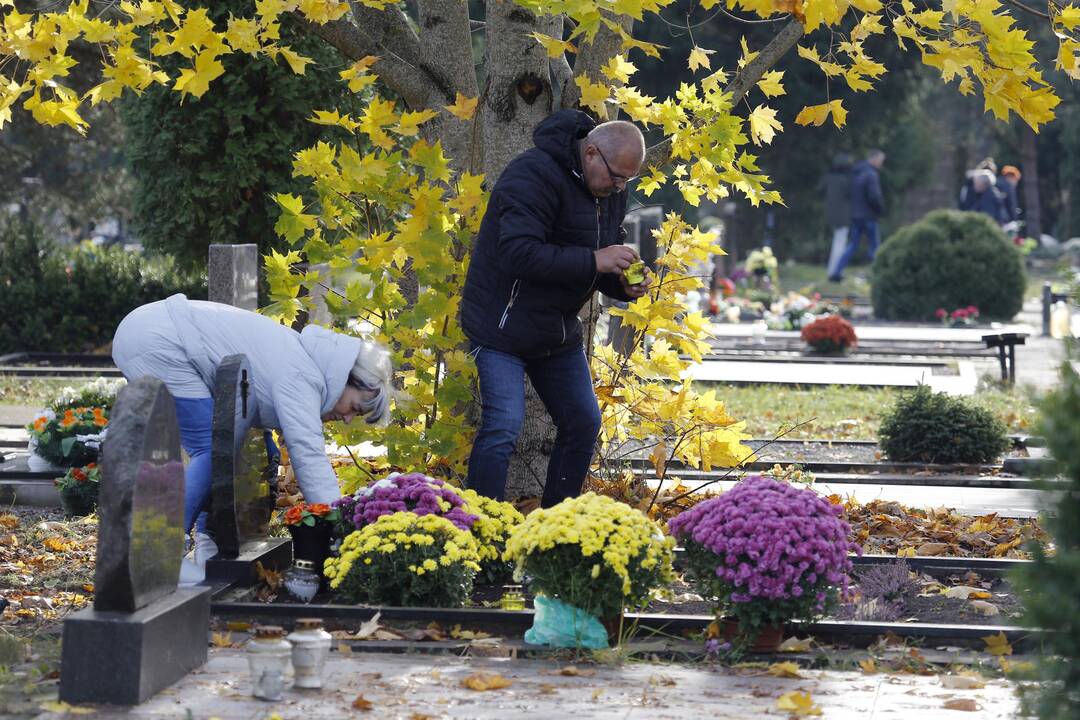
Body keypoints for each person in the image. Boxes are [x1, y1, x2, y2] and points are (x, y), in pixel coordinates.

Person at [112, 294, 393, 582]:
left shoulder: (303, 360)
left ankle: (213, 543)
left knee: (254, 451)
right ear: (346, 378)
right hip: (159, 340)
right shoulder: (302, 375)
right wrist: (342, 531)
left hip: (154, 329)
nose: (346, 418)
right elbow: (309, 456)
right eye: (354, 408)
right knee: (210, 450)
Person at [459, 110, 651, 508]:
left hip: (555, 329)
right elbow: (518, 254)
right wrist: (597, 260)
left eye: (627, 181)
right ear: (592, 153)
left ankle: (555, 528)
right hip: (501, 326)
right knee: (503, 427)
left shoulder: (608, 190)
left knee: (583, 421)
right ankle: (480, 532)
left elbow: (597, 258)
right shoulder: (532, 175)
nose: (619, 188)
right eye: (616, 176)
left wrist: (621, 281)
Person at [829, 149, 885, 282]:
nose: (881, 164)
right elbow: (874, 196)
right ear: (874, 159)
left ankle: (836, 272)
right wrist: (880, 209)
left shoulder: (856, 173)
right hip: (869, 216)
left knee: (852, 245)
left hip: (856, 215)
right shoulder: (871, 174)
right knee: (875, 248)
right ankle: (877, 275)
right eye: (881, 161)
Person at [820, 152, 853, 281]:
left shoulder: (829, 177)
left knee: (837, 242)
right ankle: (834, 272)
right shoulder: (847, 179)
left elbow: (819, 190)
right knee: (840, 243)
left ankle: (833, 271)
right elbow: (851, 194)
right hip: (844, 216)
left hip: (831, 213)